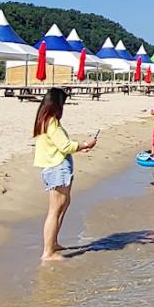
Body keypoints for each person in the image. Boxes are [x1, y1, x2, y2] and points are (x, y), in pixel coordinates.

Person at [33, 88, 97, 262]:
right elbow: (65, 146)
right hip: (56, 168)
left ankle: (53, 243)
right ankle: (48, 252)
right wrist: (84, 144)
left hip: (55, 166)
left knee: (63, 204)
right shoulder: (51, 122)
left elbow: (58, 147)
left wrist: (79, 149)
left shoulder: (44, 121)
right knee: (55, 210)